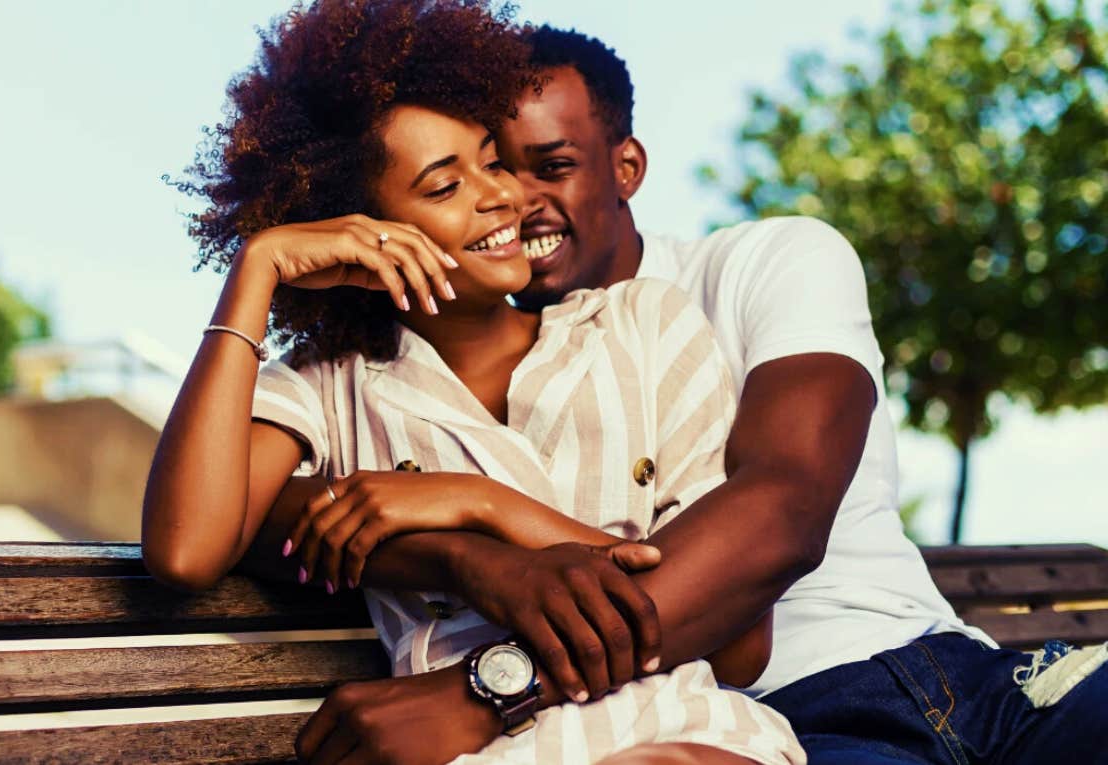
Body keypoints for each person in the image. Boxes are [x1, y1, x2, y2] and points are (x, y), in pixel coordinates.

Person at [333, 23, 1108, 764]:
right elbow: (279, 514)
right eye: (497, 167)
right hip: (786, 726)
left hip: (969, 678)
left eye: (552, 165)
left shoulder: (767, 261)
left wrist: (489, 689)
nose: (516, 199)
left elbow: (784, 508)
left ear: (627, 166)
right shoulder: (469, 385)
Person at [143, 2, 805, 763]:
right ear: (361, 227)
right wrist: (256, 267)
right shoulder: (329, 388)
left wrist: (480, 504)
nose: (499, 196)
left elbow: (740, 640)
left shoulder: (645, 326)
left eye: (490, 161)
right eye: (442, 185)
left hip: (680, 737)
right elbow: (187, 550)